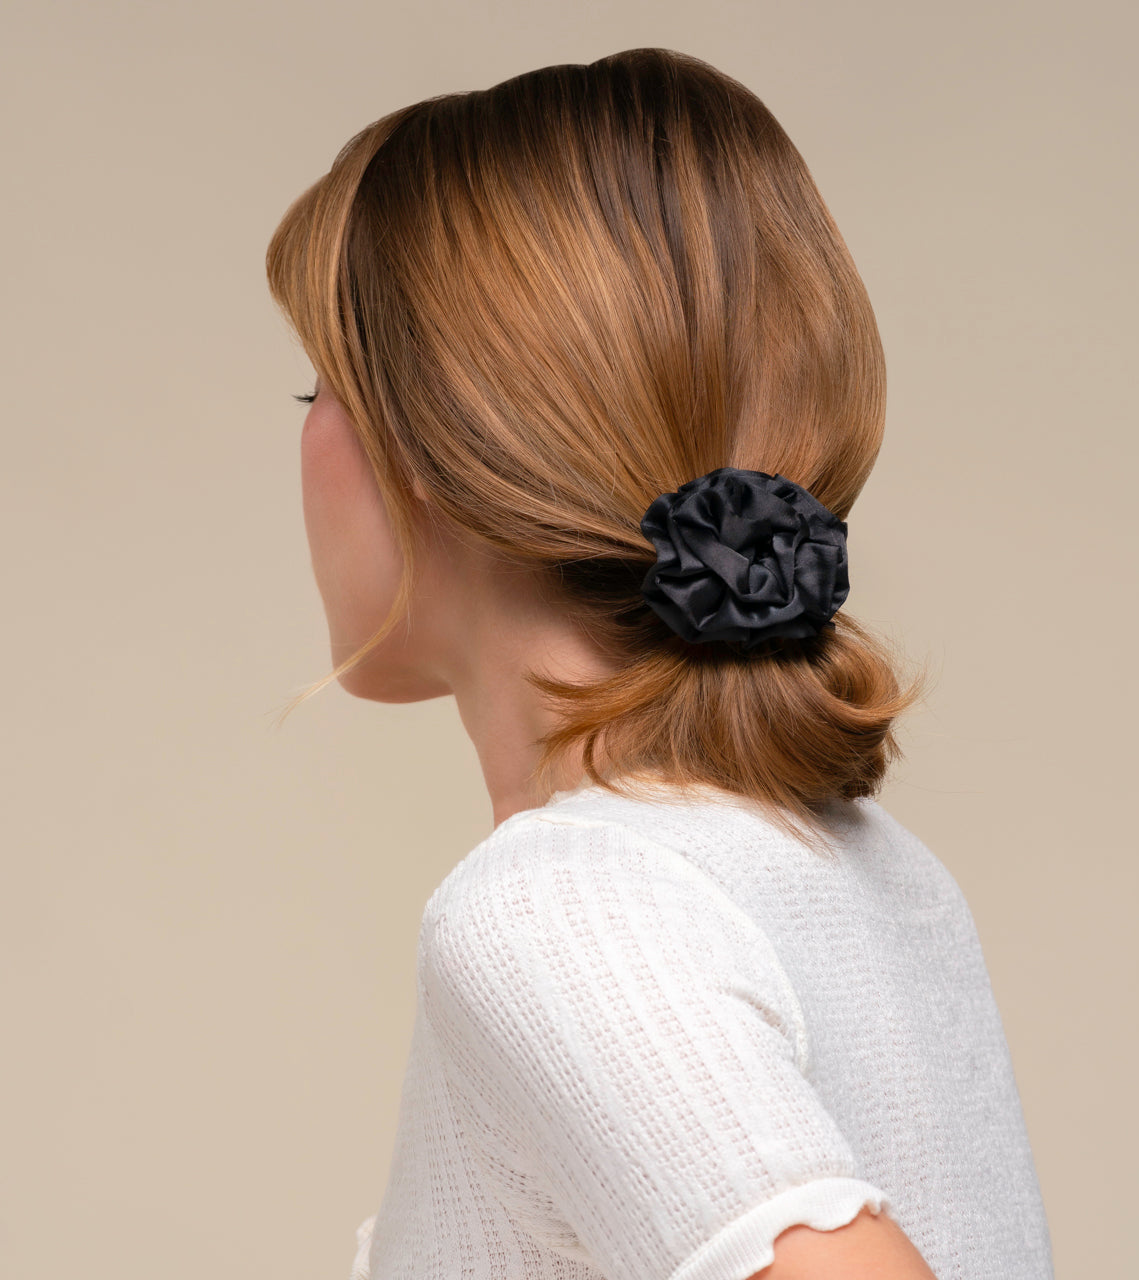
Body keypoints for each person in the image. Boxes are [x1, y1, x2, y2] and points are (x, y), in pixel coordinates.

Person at [265, 47, 1054, 1280]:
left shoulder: (550, 907)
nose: (303, 435)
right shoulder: (874, 874)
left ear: (430, 439)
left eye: (320, 381)